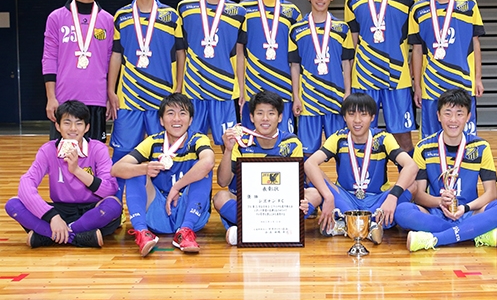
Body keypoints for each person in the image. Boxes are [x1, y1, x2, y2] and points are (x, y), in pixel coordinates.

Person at [394, 89, 497, 251]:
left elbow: (491, 193)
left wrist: (465, 208)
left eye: (459, 114)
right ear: (438, 116)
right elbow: (419, 195)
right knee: (402, 211)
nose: (453, 120)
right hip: (435, 212)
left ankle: (436, 238)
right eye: (448, 113)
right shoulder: (424, 147)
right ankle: (473, 232)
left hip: (470, 211)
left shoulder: (481, 147)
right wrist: (439, 202)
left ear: (468, 116)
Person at [304, 93, 418, 245]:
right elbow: (309, 164)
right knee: (315, 175)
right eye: (351, 114)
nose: (357, 120)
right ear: (344, 117)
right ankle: (371, 225)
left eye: (363, 114)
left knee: (412, 185)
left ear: (372, 117)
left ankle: (345, 225)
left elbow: (411, 165)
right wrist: (328, 196)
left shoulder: (383, 138)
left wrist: (393, 197)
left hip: (377, 200)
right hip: (346, 199)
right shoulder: (339, 138)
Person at [5, 100, 122, 248]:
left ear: (87, 128)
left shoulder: (98, 149)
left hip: (91, 210)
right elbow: (26, 184)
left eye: (79, 123)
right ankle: (78, 237)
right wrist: (52, 217)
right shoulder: (48, 150)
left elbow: (110, 188)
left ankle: (49, 235)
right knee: (13, 205)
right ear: (57, 126)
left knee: (113, 206)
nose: (73, 128)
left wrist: (76, 171)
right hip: (59, 210)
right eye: (67, 123)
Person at [111, 93, 215, 256]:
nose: (176, 119)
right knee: (135, 170)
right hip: (158, 212)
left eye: (182, 113)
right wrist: (144, 169)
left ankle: (185, 231)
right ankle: (142, 232)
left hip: (189, 211)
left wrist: (177, 187)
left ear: (190, 120)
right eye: (170, 113)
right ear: (161, 120)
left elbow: (208, 162)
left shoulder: (197, 139)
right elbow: (116, 169)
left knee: (202, 169)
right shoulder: (153, 141)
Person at [344, 0, 419, 154]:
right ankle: (370, 186)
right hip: (364, 78)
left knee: (403, 140)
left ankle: (410, 187)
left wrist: (416, 82)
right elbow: (352, 46)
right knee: (364, 138)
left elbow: (416, 44)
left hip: (398, 79)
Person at [108, 0, 186, 167]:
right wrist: (111, 91)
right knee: (122, 155)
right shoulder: (122, 16)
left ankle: (162, 200)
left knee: (163, 154)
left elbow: (181, 53)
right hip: (129, 99)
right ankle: (115, 200)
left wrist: (178, 88)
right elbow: (116, 55)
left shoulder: (171, 16)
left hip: (162, 100)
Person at [213, 90, 318, 246]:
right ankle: (277, 228)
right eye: (260, 113)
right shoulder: (241, 142)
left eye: (271, 113)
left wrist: (299, 201)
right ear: (251, 117)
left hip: (280, 203)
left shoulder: (292, 142)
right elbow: (223, 182)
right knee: (220, 197)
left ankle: (246, 229)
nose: (265, 119)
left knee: (315, 194)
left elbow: (295, 184)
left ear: (280, 117)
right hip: (249, 203)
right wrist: (228, 150)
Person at [409, 0, 485, 139]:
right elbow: (416, 51)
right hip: (431, 86)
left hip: (462, 84)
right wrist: (417, 86)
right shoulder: (418, 9)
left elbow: (475, 43)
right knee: (430, 139)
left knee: (465, 139)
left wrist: (477, 78)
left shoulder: (469, 4)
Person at [42, 0, 114, 142]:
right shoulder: (56, 18)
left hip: (96, 99)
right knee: (63, 157)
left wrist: (109, 95)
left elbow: (110, 61)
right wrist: (51, 97)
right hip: (65, 100)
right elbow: (49, 58)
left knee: (93, 158)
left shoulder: (108, 20)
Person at [177, 0, 246, 145]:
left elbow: (239, 54)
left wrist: (242, 89)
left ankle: (230, 177)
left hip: (224, 91)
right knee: (190, 145)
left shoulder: (238, 12)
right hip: (193, 91)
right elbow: (180, 52)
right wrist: (179, 86)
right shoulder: (185, 8)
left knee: (229, 145)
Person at [289, 0, 354, 156]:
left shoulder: (342, 28)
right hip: (309, 100)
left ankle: (342, 185)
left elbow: (346, 63)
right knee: (308, 151)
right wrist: (296, 97)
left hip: (336, 99)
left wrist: (347, 93)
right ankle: (308, 185)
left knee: (341, 149)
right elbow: (295, 66)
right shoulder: (297, 30)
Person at [238, 0, 302, 133]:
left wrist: (297, 95)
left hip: (284, 90)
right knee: (251, 144)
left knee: (285, 145)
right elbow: (239, 53)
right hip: (254, 89)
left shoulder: (292, 12)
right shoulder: (244, 9)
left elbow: (297, 59)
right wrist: (241, 90)